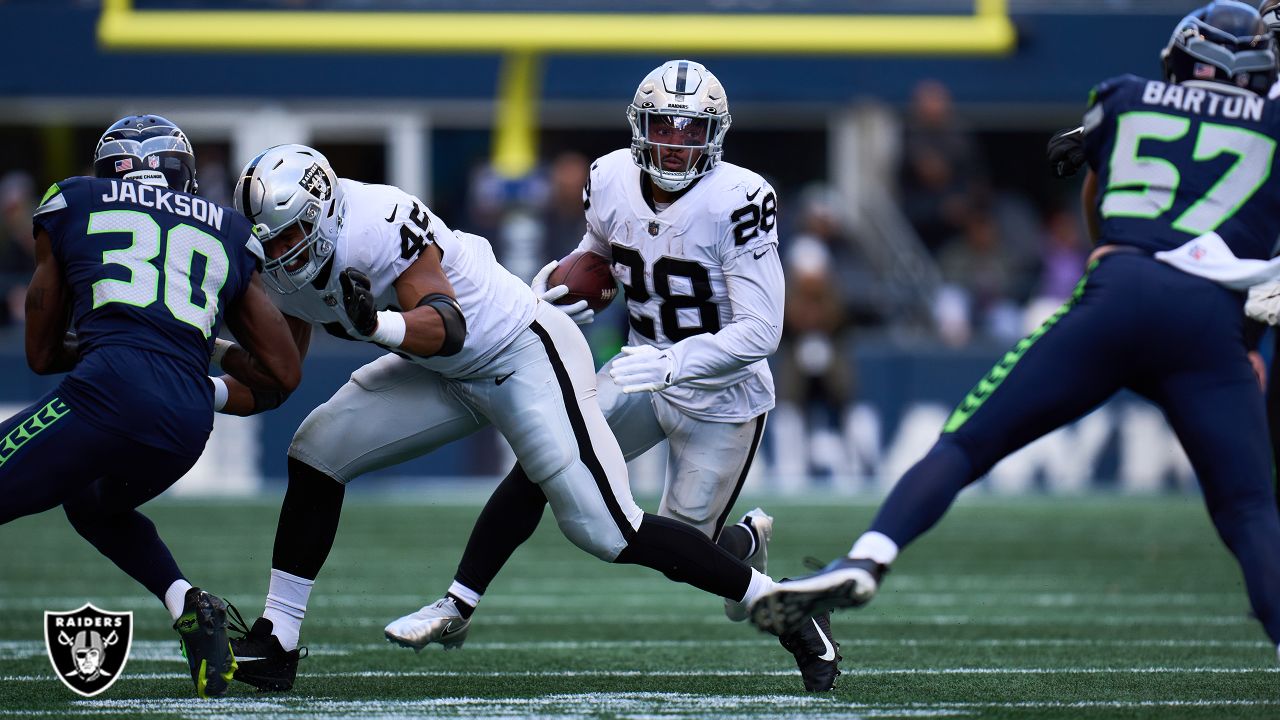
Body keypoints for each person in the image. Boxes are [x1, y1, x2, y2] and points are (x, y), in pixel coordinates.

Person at [749, 2, 1280, 668]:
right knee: (1251, 511)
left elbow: (1098, 198)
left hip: (1119, 290)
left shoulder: (1124, 96)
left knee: (970, 440)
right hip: (1210, 325)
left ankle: (869, 556)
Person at [215, 142, 800, 693]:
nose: (281, 249)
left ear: (324, 212)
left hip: (520, 354)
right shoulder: (272, 263)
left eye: (292, 232)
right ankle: (278, 642)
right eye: (271, 239)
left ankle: (783, 607)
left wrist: (377, 327)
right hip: (441, 372)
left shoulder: (379, 221)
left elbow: (448, 324)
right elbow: (279, 376)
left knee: (607, 531)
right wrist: (204, 379)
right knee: (316, 450)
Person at [377, 59, 840, 693]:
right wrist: (555, 281)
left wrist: (675, 359)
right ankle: (458, 602)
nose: (675, 145)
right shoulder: (611, 177)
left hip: (721, 394)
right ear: (638, 128)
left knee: (684, 551)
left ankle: (783, 600)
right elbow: (598, 254)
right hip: (639, 371)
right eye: (663, 128)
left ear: (716, 135)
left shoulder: (741, 200)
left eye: (690, 131)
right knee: (547, 457)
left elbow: (762, 332)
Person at [0, 114, 301, 697]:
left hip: (106, 389)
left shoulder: (73, 201)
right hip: (186, 423)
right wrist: (201, 348)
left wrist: (125, 340)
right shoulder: (230, 230)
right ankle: (188, 602)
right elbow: (283, 373)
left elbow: (39, 354)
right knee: (91, 505)